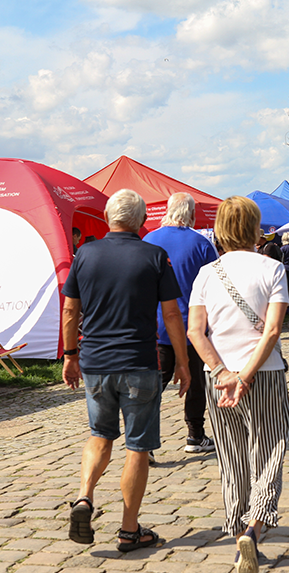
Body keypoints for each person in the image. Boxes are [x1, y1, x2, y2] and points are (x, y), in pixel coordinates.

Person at [62, 189, 189, 553]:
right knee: (137, 447)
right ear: (142, 220)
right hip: (139, 363)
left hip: (96, 363)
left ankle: (85, 496)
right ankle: (129, 530)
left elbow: (71, 310)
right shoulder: (154, 256)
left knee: (99, 435)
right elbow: (170, 314)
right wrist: (181, 361)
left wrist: (71, 355)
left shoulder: (84, 254)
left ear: (106, 217)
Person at [187, 195, 289, 573]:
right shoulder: (272, 268)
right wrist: (245, 376)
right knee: (270, 446)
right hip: (262, 374)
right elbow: (273, 330)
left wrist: (222, 371)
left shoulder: (206, 274)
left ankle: (238, 535)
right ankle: (254, 527)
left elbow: (196, 331)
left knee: (232, 457)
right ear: (255, 228)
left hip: (220, 377)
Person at [143, 192, 218, 456]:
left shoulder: (148, 240)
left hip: (157, 325)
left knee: (154, 385)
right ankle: (195, 435)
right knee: (196, 383)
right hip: (193, 326)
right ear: (191, 214)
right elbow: (215, 286)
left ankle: (145, 442)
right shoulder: (201, 244)